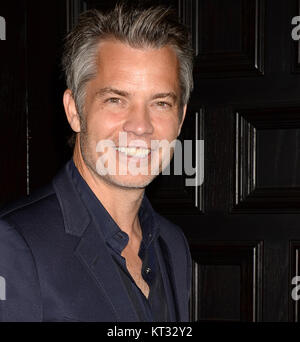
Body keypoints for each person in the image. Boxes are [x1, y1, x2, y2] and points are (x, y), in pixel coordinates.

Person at [0, 3, 194, 322]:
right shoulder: (14, 246)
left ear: (181, 117)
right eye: (116, 100)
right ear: (75, 110)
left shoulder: (173, 245)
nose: (141, 126)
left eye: (160, 103)